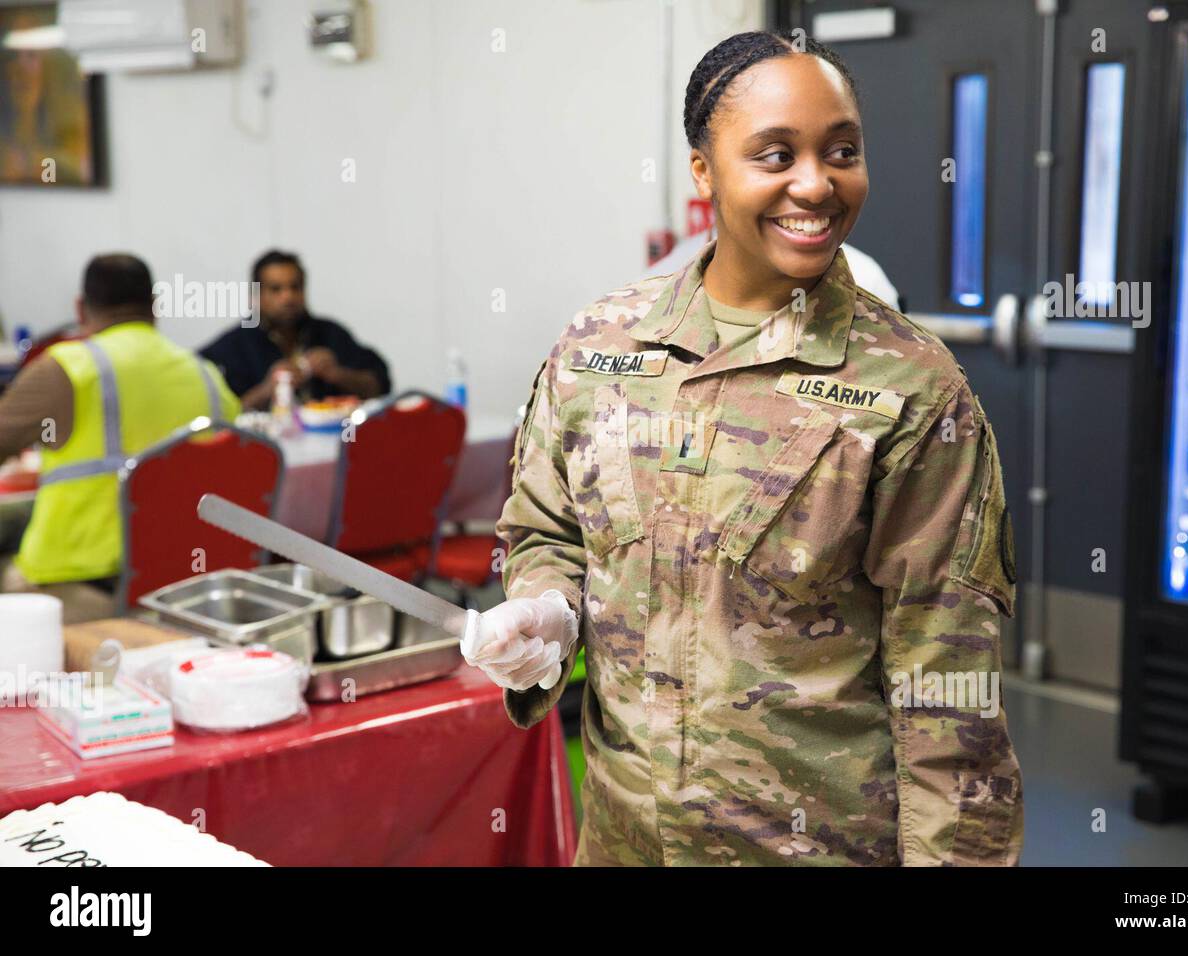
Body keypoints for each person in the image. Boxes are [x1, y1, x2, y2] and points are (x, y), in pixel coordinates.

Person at [462, 31, 1025, 867]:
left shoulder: (910, 387)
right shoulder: (599, 349)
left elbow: (948, 692)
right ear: (704, 171)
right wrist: (547, 608)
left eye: (842, 152)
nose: (817, 183)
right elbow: (549, 532)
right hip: (624, 840)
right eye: (775, 154)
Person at [0, 254, 241, 623]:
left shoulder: (66, 369)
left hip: (82, 588)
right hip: (190, 585)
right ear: (154, 305)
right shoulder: (207, 375)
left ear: (80, 308)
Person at [199, 250, 391, 410]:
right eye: (276, 289)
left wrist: (338, 374)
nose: (288, 297)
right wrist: (267, 390)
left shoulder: (330, 334)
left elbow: (379, 387)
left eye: (295, 287)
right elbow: (213, 413)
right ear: (256, 296)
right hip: (261, 444)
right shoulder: (232, 347)